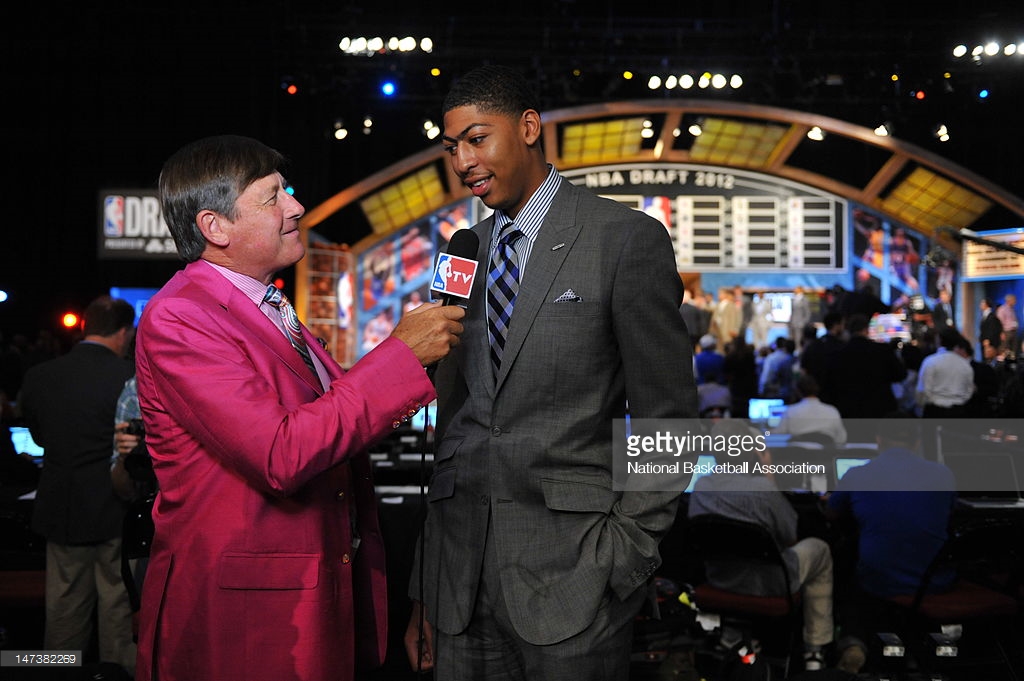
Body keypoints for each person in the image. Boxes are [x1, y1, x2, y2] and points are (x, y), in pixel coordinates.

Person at [133, 135, 465, 681]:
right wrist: (400, 357)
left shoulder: (265, 305)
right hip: (249, 619)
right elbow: (280, 451)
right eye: (273, 197)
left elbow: (334, 424)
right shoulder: (181, 317)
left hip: (306, 596)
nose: (295, 207)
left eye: (287, 190)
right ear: (215, 228)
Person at [403, 65, 697, 681]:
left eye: (477, 139)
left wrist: (627, 557)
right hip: (458, 586)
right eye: (452, 147)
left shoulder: (623, 239)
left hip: (576, 579)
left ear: (529, 127)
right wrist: (426, 585)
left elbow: (667, 417)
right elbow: (451, 428)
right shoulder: (461, 252)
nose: (463, 161)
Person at [17, 295, 138, 675]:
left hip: (61, 509)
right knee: (118, 617)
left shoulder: (41, 376)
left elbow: (37, 437)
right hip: (115, 512)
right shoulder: (128, 378)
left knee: (63, 616)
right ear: (124, 333)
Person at [687, 419, 835, 672]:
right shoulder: (762, 488)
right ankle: (814, 649)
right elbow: (790, 538)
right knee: (819, 548)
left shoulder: (701, 486)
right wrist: (769, 478)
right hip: (770, 586)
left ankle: (734, 634)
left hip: (720, 582)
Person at [826, 415, 957, 670]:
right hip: (935, 581)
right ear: (917, 442)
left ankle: (853, 641)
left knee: (847, 559)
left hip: (880, 581)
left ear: (878, 441)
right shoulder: (944, 475)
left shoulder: (857, 474)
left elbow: (831, 514)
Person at [915, 327, 974, 418]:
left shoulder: (931, 361)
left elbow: (923, 390)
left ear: (939, 340)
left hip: (934, 410)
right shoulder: (964, 364)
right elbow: (969, 390)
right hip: (958, 411)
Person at [776, 374, 847, 446]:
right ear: (817, 389)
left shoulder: (790, 411)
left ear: (797, 391)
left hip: (798, 455)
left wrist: (766, 432)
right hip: (824, 456)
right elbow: (842, 439)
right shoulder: (832, 411)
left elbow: (777, 434)